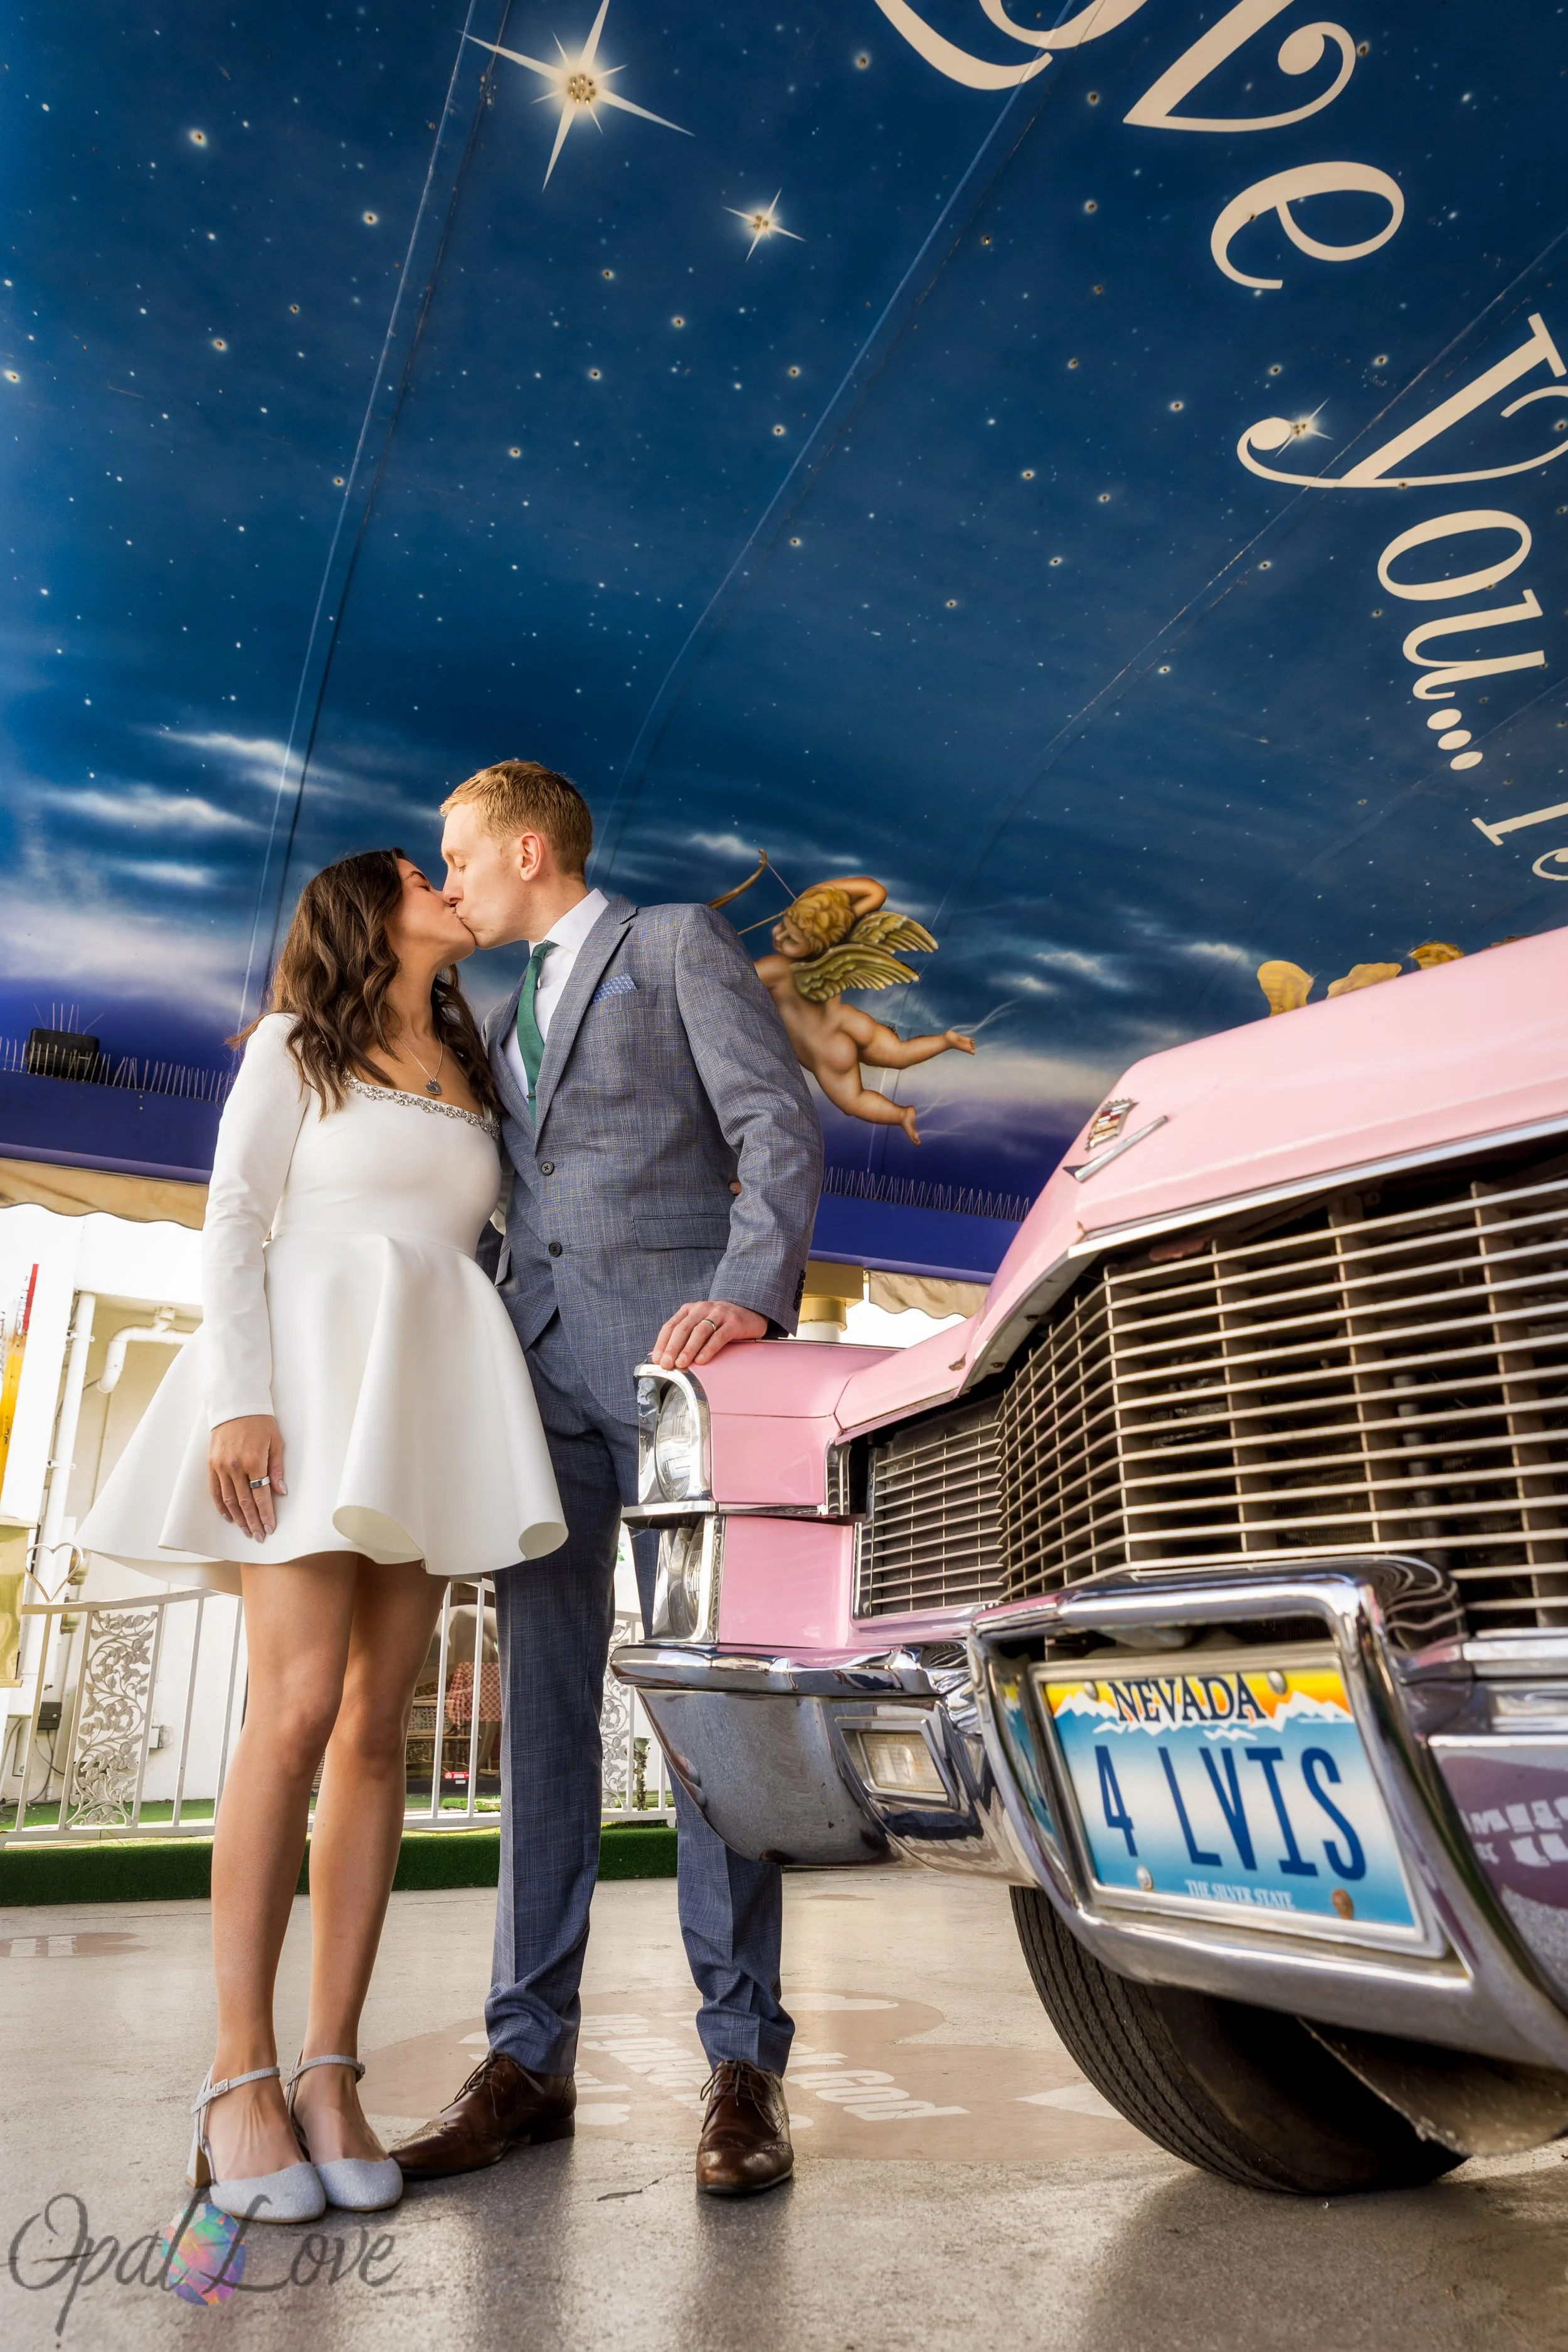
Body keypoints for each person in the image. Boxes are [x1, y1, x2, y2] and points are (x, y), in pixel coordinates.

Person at [78, 850, 565, 2224]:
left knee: (374, 1725)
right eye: (422, 871)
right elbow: (237, 1217)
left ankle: (331, 2071)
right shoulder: (296, 1041)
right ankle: (238, 2073)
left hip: (422, 1390)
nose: (444, 879)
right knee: (289, 1711)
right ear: (367, 907)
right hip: (303, 1376)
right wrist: (239, 1400)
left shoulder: (482, 1062)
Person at [392, 760, 822, 2198]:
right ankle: (527, 2062)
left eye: (457, 857)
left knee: (706, 1716)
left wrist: (749, 1295)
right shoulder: (494, 1013)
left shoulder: (675, 943)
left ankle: (740, 2062)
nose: (445, 883)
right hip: (539, 1387)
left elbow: (774, 1125)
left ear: (528, 849)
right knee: (540, 1727)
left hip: (676, 1379)